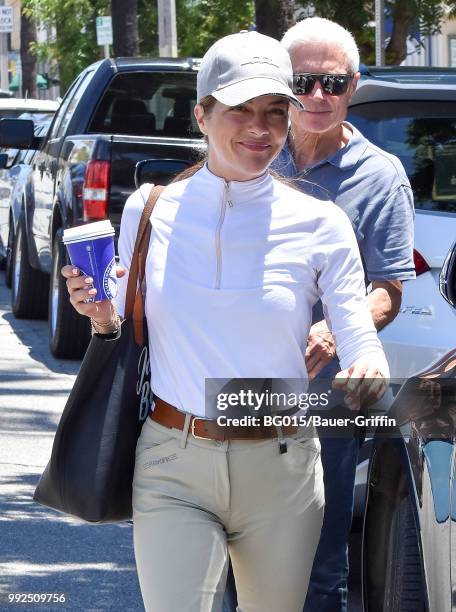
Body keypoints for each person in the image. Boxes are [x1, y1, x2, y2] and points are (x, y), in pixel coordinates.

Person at [63, 30, 389, 612]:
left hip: (282, 468)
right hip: (172, 461)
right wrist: (99, 311)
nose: (259, 129)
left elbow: (358, 331)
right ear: (202, 115)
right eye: (240, 110)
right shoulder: (149, 207)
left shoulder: (321, 222)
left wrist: (366, 362)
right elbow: (121, 318)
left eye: (274, 113)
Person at [272, 17, 415, 612]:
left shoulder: (379, 176)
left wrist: (336, 330)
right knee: (229, 559)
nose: (317, 97)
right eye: (303, 82)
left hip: (324, 397)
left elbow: (389, 287)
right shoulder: (249, 154)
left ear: (353, 86)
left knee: (317, 564)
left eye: (333, 84)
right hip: (235, 388)